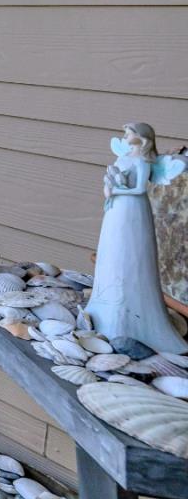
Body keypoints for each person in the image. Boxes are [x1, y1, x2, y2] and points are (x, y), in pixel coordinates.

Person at [85, 123, 188, 354]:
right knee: (113, 249)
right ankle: (106, 307)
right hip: (116, 211)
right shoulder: (124, 156)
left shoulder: (143, 161)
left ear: (141, 138)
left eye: (130, 132)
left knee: (129, 253)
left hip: (133, 209)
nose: (126, 135)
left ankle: (134, 318)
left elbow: (140, 189)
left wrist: (118, 190)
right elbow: (115, 181)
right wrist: (108, 185)